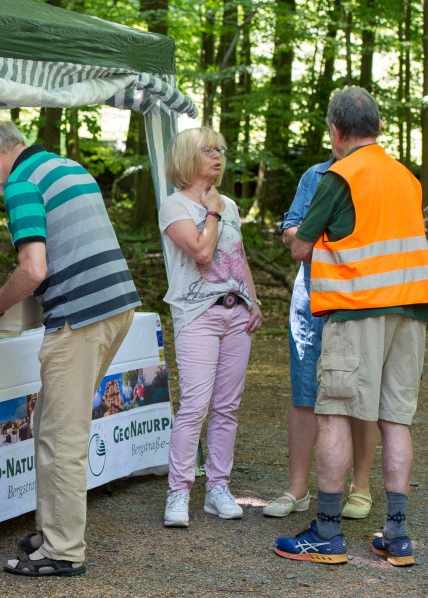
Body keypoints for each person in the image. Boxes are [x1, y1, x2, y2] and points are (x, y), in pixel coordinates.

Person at [0, 116, 138, 577]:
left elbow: (34, 269)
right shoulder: (66, 166)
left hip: (80, 317)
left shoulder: (21, 183)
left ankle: (63, 550)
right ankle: (53, 528)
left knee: (61, 436)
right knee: (52, 424)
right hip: (115, 306)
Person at [275, 86, 428, 567]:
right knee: (396, 419)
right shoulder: (407, 178)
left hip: (357, 307)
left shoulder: (340, 175)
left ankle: (326, 532)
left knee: (336, 413)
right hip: (411, 312)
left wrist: (312, 237)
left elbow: (300, 246)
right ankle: (397, 536)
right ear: (378, 127)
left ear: (335, 130)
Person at [158, 127, 263, 528]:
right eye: (208, 150)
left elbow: (239, 258)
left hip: (236, 314)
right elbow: (202, 252)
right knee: (195, 406)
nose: (217, 156)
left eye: (220, 149)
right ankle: (179, 492)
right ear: (187, 157)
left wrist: (253, 300)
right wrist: (213, 212)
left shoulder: (230, 205)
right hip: (198, 315)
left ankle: (218, 488)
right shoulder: (175, 206)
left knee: (227, 407)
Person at [263, 155, 378, 519]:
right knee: (304, 390)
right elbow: (291, 233)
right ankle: (297, 488)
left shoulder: (378, 174)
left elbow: (374, 243)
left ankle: (360, 488)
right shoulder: (315, 175)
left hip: (360, 297)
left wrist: (317, 237)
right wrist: (332, 241)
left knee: (359, 391)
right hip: (311, 295)